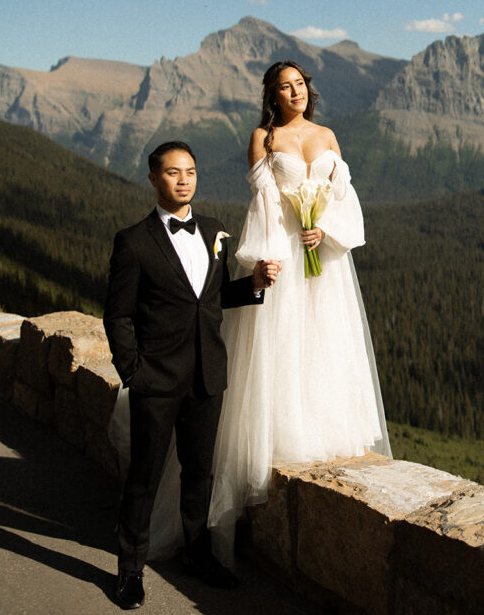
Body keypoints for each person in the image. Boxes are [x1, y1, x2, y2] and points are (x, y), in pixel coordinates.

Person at [208, 61, 392, 561]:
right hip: (284, 257)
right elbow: (262, 205)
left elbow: (344, 198)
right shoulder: (263, 139)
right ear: (272, 95)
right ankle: (275, 441)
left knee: (325, 342)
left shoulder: (328, 134)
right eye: (285, 88)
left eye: (301, 85)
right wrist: (268, 259)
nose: (296, 93)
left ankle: (321, 430)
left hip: (322, 258)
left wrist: (325, 230)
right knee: (281, 343)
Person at [103, 141, 279, 609]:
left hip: (208, 378)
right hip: (155, 381)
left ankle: (197, 555)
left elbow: (214, 298)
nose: (184, 180)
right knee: (144, 475)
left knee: (200, 473)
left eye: (191, 172)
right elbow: (117, 315)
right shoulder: (134, 241)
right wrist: (133, 372)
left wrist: (255, 285)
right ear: (153, 179)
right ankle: (129, 571)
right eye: (173, 173)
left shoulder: (215, 232)